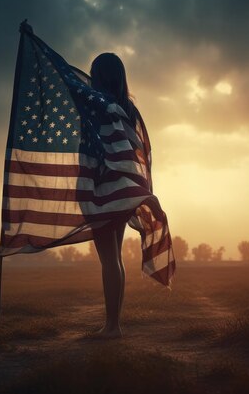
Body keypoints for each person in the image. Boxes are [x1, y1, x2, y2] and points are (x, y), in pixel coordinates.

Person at [89, 52, 143, 339]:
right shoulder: (129, 110)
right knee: (116, 258)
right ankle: (114, 324)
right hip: (122, 189)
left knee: (108, 259)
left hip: (103, 188)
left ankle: (111, 326)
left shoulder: (97, 105)